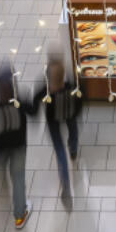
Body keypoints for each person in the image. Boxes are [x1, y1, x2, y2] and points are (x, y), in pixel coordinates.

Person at [0, 62, 35, 228]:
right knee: (18, 178)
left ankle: (2, 190)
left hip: (0, 147)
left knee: (1, 166)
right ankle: (19, 216)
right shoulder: (20, 101)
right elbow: (33, 111)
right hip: (18, 146)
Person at [33, 53, 83, 207]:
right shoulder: (70, 85)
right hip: (69, 113)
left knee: (60, 149)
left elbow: (34, 105)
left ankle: (66, 184)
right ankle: (73, 149)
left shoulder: (45, 88)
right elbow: (81, 96)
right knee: (73, 128)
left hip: (53, 120)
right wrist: (77, 111)